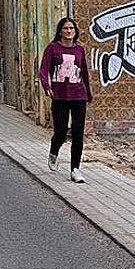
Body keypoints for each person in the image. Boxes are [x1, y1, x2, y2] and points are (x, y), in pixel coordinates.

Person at [38, 17, 93, 183]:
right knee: (61, 132)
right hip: (60, 96)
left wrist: (88, 94)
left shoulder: (80, 50)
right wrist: (47, 87)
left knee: (78, 134)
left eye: (72, 29)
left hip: (78, 95)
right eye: (66, 28)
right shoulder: (52, 49)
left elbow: (84, 73)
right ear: (60, 31)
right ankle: (54, 151)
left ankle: (75, 169)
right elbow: (43, 71)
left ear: (75, 32)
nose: (69, 31)